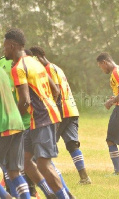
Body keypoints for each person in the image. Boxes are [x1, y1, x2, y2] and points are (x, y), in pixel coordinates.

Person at [5, 28, 70, 199]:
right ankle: (50, 194)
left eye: (4, 47)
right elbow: (55, 90)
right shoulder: (35, 63)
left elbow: (24, 100)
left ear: (12, 46)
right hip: (41, 118)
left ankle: (63, 196)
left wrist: (14, 122)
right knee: (26, 161)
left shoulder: (18, 67)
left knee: (44, 164)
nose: (3, 50)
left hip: (42, 120)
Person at [30, 46, 91, 185]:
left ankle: (38, 181)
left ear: (37, 57)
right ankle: (84, 177)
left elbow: (55, 91)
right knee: (72, 144)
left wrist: (53, 114)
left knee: (42, 146)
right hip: (71, 110)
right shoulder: (57, 67)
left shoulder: (48, 69)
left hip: (61, 111)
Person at [0, 66, 31, 199]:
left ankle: (7, 197)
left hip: (3, 125)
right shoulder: (2, 70)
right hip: (16, 122)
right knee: (14, 172)